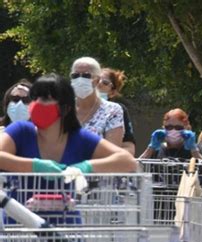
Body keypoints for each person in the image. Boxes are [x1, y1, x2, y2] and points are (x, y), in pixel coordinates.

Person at [0, 74, 137, 224]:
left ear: (65, 108)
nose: (38, 103)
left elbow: (127, 161)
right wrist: (35, 165)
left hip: (66, 231)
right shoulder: (21, 131)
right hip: (19, 229)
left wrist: (84, 167)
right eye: (35, 98)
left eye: (46, 98)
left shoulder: (79, 138)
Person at [70, 57, 125, 147]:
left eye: (86, 76)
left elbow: (112, 152)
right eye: (75, 76)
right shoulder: (62, 109)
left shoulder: (112, 110)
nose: (80, 80)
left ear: (97, 80)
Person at [96, 68, 136, 156]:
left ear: (112, 92)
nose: (99, 84)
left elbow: (129, 147)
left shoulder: (117, 111)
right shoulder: (72, 106)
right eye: (96, 79)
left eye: (105, 83)